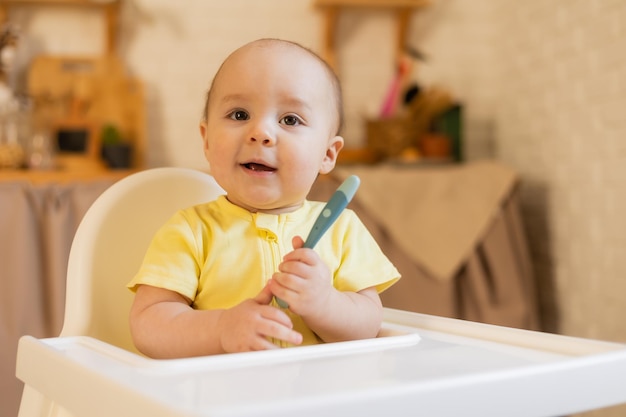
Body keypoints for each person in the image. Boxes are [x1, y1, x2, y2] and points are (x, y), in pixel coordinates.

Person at [127, 38, 400, 359]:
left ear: (327, 154)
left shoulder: (342, 229)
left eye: (290, 120)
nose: (261, 132)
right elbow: (148, 325)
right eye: (239, 114)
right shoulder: (189, 231)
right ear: (207, 140)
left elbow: (369, 324)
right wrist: (221, 328)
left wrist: (324, 303)